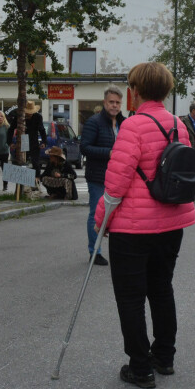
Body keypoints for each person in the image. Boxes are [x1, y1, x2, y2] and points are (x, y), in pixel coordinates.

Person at [95, 62, 195, 389]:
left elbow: (116, 184)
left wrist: (101, 221)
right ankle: (164, 356)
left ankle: (140, 367)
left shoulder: (133, 126)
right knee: (161, 288)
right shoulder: (180, 126)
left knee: (131, 298)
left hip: (133, 228)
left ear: (135, 91)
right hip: (172, 223)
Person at [80, 86, 125, 266]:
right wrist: (109, 153)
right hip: (98, 177)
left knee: (118, 216)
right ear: (104, 102)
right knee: (96, 214)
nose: (114, 105)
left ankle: (118, 251)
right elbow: (85, 147)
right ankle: (95, 252)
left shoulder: (124, 123)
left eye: (117, 102)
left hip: (119, 177)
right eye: (111, 102)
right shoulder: (94, 122)